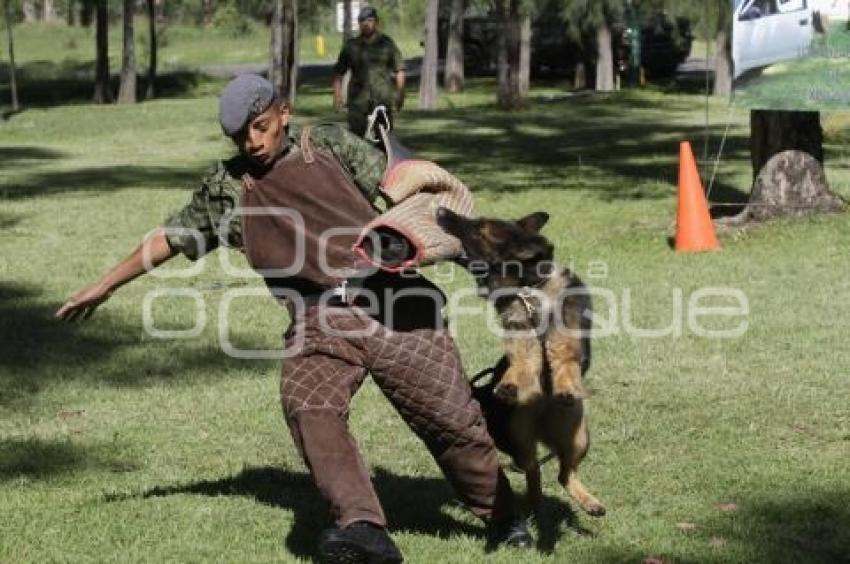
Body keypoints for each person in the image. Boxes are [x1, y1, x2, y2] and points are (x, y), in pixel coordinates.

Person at [56, 74, 530, 563]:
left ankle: (502, 516)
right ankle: (363, 530)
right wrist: (105, 284)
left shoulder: (326, 145)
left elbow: (413, 194)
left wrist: (476, 253)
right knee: (309, 404)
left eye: (260, 127)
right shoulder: (228, 189)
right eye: (241, 136)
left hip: (393, 301)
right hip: (317, 319)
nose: (253, 142)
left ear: (284, 111)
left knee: (449, 420)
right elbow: (171, 237)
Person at [332, 6, 406, 137]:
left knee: (385, 140)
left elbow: (400, 70)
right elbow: (339, 73)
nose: (366, 24)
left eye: (370, 20)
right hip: (358, 101)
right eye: (363, 21)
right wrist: (337, 97)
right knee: (355, 139)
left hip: (382, 99)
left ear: (376, 22)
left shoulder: (387, 43)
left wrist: (400, 94)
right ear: (359, 24)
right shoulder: (351, 46)